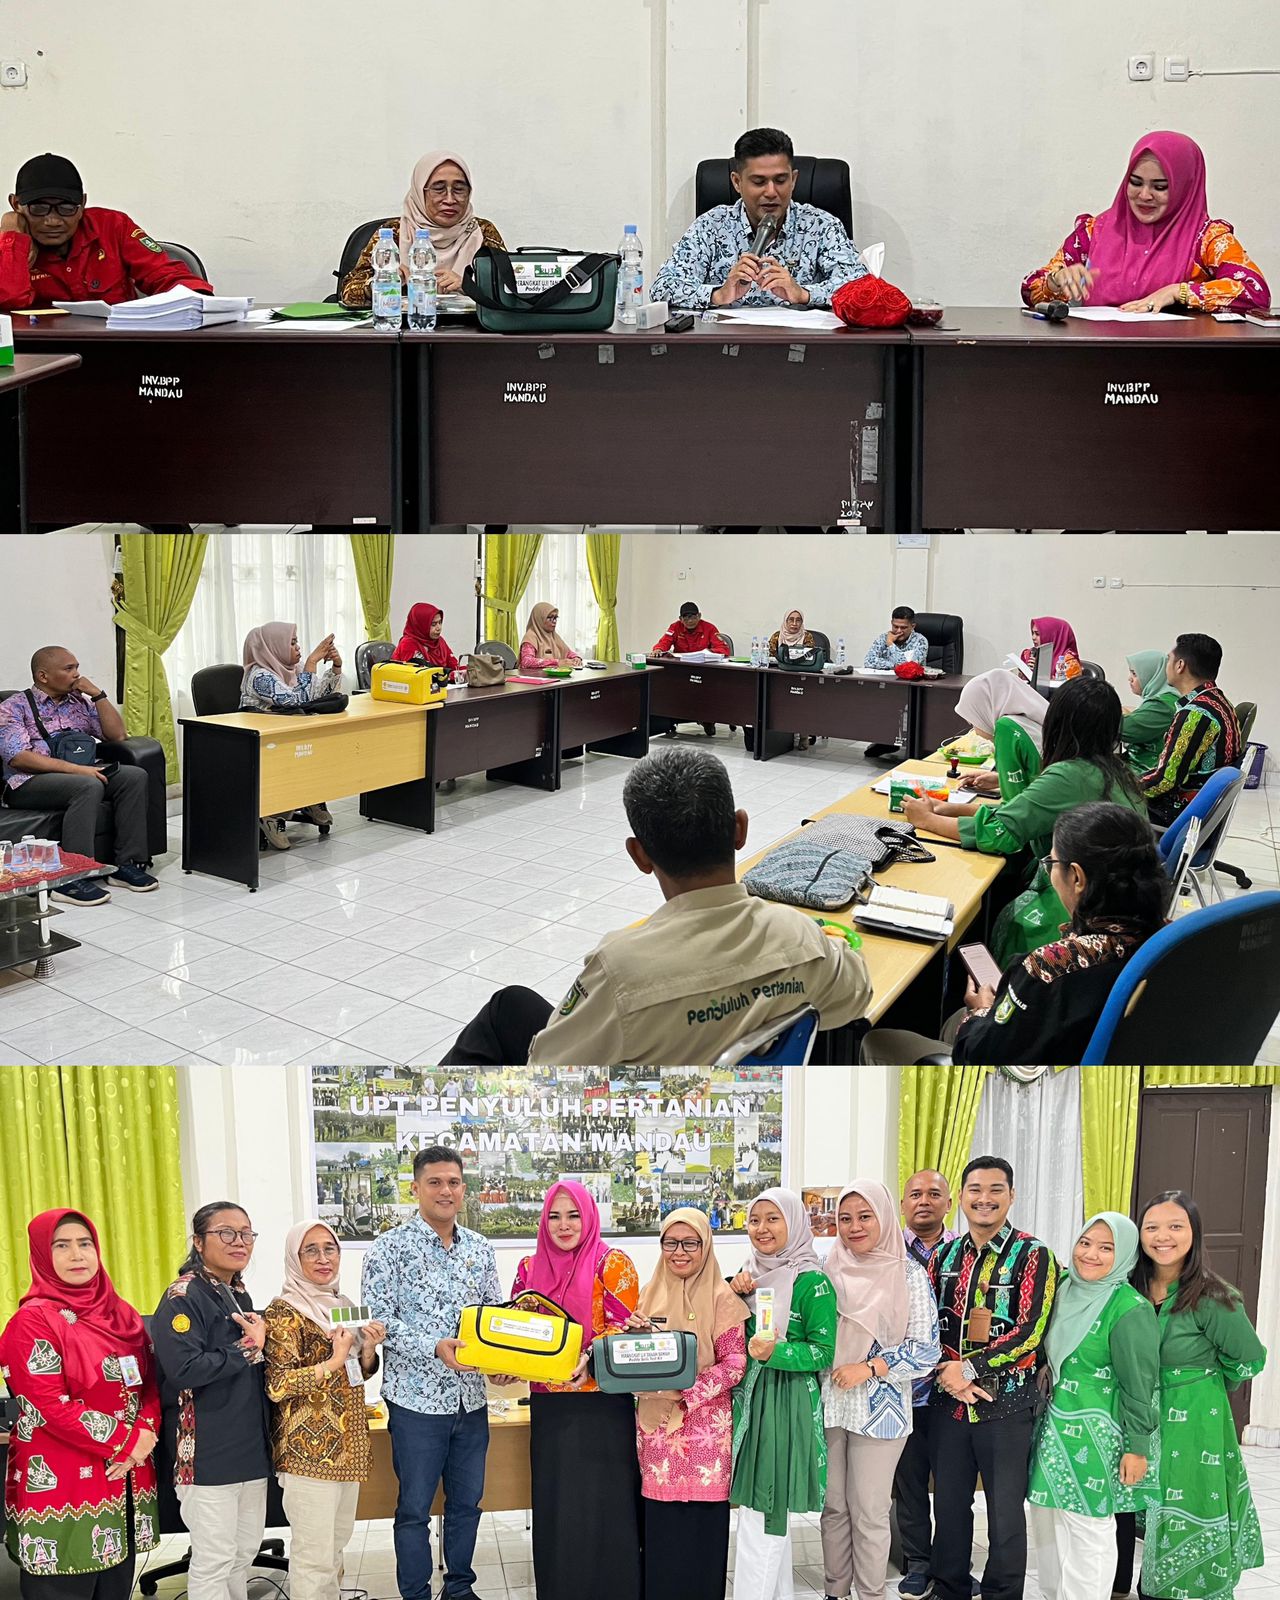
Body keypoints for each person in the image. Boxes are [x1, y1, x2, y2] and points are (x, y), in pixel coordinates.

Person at [442, 746, 872, 1065]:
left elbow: (548, 1070)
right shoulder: (797, 934)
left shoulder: (622, 970)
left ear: (640, 856)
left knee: (507, 1008)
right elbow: (855, 996)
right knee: (514, 1005)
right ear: (739, 830)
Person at [863, 801, 1166, 1066]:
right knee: (953, 1022)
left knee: (879, 1042)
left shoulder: (1051, 966)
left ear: (1077, 877)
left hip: (1024, 1088)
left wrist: (981, 1011)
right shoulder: (1166, 938)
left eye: (1051, 862)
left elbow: (980, 1056)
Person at [902, 677, 1148, 964]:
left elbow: (1000, 834)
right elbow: (1023, 811)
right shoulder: (1115, 769)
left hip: (1089, 904)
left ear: (1058, 721)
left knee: (1008, 922)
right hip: (1125, 902)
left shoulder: (1070, 775)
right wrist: (947, 809)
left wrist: (927, 821)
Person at [359, 1147, 503, 1600]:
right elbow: (379, 1320)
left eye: (454, 1182)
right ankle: (416, 1593)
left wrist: (502, 1359)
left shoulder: (480, 1248)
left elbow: (494, 1316)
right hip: (416, 1403)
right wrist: (434, 1347)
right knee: (414, 1509)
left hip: (471, 1400)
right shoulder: (387, 1249)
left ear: (464, 1189)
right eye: (436, 1182)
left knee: (467, 1505)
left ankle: (459, 1588)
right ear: (415, 1188)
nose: (446, 1191)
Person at [0, 1209, 160, 1600]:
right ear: (41, 1255)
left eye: (85, 1244)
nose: (77, 1255)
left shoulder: (121, 1315)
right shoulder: (32, 1322)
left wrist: (145, 1434)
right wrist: (128, 1441)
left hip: (123, 1481)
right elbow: (47, 1405)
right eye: (62, 1246)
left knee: (115, 1589)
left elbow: (150, 1385)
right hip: (62, 1485)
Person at [928, 1158, 1058, 1600]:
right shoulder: (942, 1256)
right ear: (960, 1198)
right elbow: (926, 1325)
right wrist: (951, 1376)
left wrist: (969, 1369)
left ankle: (1003, 1593)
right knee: (948, 1507)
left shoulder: (1034, 1254)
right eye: (975, 1189)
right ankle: (950, 1588)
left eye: (996, 1189)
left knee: (1005, 1513)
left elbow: (1030, 1331)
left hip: (1006, 1406)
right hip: (948, 1404)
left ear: (1011, 1196)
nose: (985, 1198)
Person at [1130, 1189, 1268, 1600]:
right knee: (1149, 1514)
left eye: (1176, 1226)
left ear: (1194, 1233)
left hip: (1194, 1421)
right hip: (1139, 1416)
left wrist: (1203, 1383)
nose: (1162, 1236)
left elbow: (1249, 1359)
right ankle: (1147, 1584)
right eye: (1152, 1227)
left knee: (1190, 1506)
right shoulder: (1128, 1288)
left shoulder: (1213, 1296)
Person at [511, 1181, 641, 1600]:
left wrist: (590, 1355)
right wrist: (501, 1366)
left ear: (588, 1217)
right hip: (550, 1408)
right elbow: (519, 1332)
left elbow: (625, 1332)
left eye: (573, 1215)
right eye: (554, 1216)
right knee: (557, 1508)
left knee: (605, 1507)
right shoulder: (530, 1269)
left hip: (603, 1406)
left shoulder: (613, 1263)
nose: (563, 1225)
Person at [1027, 1214, 1159, 1600]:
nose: (1091, 1254)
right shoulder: (1064, 1288)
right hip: (1051, 1429)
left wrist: (1138, 1448)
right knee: (1048, 1527)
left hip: (1100, 1439)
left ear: (1126, 1256)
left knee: (1089, 1533)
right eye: (1085, 1242)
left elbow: (1140, 1387)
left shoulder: (1129, 1308)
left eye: (1107, 1248)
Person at [819, 1181, 940, 1600]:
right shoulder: (825, 1269)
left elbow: (926, 1350)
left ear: (885, 1218)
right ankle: (836, 1591)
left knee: (869, 1513)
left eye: (865, 1216)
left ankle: (870, 1593)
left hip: (880, 1410)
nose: (854, 1227)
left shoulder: (908, 1274)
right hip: (829, 1405)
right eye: (846, 1218)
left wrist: (870, 1367)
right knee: (833, 1508)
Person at [150, 1202, 272, 1600]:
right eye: (226, 1232)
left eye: (246, 1233)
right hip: (205, 1454)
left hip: (248, 1449)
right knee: (214, 1557)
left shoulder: (237, 1292)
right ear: (199, 1242)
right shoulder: (182, 1297)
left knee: (242, 1553)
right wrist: (249, 1347)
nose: (239, 1242)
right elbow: (184, 1369)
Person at [263, 1222, 387, 1600]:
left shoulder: (344, 1305)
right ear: (294, 1258)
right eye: (311, 1250)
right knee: (314, 1558)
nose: (323, 1259)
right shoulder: (285, 1312)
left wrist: (367, 1349)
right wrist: (333, 1360)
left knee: (334, 1548)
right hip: (307, 1455)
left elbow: (358, 1374)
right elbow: (277, 1385)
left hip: (346, 1447)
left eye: (329, 1249)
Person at [629, 1207, 748, 1600]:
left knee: (701, 1533)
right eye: (670, 1242)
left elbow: (735, 1364)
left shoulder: (723, 1297)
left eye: (690, 1243)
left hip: (705, 1438)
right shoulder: (648, 1294)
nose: (679, 1252)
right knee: (661, 1531)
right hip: (656, 1435)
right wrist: (632, 1341)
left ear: (705, 1244)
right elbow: (633, 1360)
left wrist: (687, 1395)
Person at [1021, 131, 1269, 314]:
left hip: (1181, 366)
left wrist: (1177, 292)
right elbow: (1031, 288)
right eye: (1136, 182)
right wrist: (1056, 281)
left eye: (1160, 187)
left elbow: (1254, 291)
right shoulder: (1094, 232)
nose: (1144, 196)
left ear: (1186, 188)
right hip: (1097, 361)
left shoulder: (1207, 239)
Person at [728, 1188, 836, 1600]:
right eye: (755, 1220)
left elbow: (823, 1352)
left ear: (794, 1223)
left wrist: (778, 1352)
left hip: (785, 1404)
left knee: (765, 1510)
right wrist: (735, 1291)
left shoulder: (813, 1283)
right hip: (751, 1402)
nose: (762, 1228)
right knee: (760, 1515)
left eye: (773, 1218)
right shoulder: (748, 1275)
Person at [0, 646, 159, 903]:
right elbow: (18, 757)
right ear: (43, 676)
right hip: (27, 783)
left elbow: (117, 736)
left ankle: (126, 864)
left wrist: (98, 695)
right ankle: (71, 878)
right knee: (88, 785)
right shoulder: (14, 707)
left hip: (79, 773)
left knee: (133, 776)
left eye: (77, 667)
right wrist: (80, 771)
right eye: (68, 668)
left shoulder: (79, 702)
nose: (77, 674)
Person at [651, 127, 866, 311]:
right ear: (737, 182)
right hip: (725, 352)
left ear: (794, 180)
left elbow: (862, 289)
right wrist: (719, 295)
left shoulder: (821, 226)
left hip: (804, 352)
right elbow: (663, 287)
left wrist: (803, 294)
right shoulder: (711, 226)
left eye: (781, 180)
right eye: (758, 182)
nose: (771, 192)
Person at [1, 152, 213, 311]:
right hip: (44, 357)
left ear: (83, 203)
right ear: (16, 204)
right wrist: (11, 235)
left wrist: (201, 303)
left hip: (116, 349)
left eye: (66, 208)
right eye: (39, 209)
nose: (53, 220)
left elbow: (164, 273)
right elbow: (8, 302)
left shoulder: (112, 226)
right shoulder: (8, 245)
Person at [895, 1173, 957, 1600]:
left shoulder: (965, 1252)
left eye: (933, 1194)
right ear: (902, 1204)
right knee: (910, 1484)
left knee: (954, 1487)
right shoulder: (885, 1251)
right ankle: (917, 1563)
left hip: (954, 1391)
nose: (924, 1201)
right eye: (915, 1194)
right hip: (904, 1390)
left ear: (948, 1203)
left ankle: (951, 1564)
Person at [338, 151, 505, 308]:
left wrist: (469, 287)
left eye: (459, 189)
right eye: (438, 189)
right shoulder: (392, 234)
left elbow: (510, 291)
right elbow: (348, 293)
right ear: (419, 191)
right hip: (401, 329)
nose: (449, 199)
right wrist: (385, 281)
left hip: (470, 332)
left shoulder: (483, 232)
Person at [239, 622, 343, 850]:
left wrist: (336, 666)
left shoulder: (291, 670)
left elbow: (318, 696)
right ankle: (270, 814)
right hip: (262, 746)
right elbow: (296, 700)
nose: (298, 648)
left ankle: (309, 799)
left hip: (287, 739)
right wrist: (312, 662)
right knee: (303, 753)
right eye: (292, 643)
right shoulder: (260, 677)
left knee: (323, 748)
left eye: (297, 642)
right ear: (273, 647)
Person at [1137, 633, 1241, 826]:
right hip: (1201, 809)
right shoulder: (1219, 701)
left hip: (1178, 813)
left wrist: (1122, 788)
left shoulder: (1195, 714)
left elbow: (1165, 780)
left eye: (1169, 659)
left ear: (1180, 665)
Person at [947, 667, 1048, 800]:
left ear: (985, 710)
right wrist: (1002, 779)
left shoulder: (1007, 728)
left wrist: (938, 813)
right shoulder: (1029, 722)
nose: (975, 731)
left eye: (973, 723)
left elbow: (1012, 812)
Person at [652, 602, 732, 736]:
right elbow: (664, 642)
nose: (689, 621)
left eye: (693, 617)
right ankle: (670, 718)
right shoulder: (675, 627)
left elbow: (723, 649)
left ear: (699, 616)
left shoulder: (709, 628)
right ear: (680, 619)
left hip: (705, 672)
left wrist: (707, 652)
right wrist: (658, 649)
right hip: (682, 671)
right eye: (685, 618)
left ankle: (707, 719)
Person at [862, 607, 930, 757]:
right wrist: (896, 666)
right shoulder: (883, 638)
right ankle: (885, 742)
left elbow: (910, 667)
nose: (898, 630)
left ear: (913, 626)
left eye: (903, 627)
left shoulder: (921, 641)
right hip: (888, 687)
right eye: (895, 626)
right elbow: (869, 661)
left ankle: (916, 745)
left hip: (913, 689)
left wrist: (891, 646)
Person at [1121, 650, 1180, 777]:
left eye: (1135, 674)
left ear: (1153, 675)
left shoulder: (1162, 705)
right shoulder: (1164, 698)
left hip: (1143, 771)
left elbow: (1124, 729)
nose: (1129, 678)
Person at [392, 602, 458, 670]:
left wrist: (466, 671)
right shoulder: (408, 644)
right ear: (421, 625)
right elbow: (421, 673)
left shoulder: (439, 641)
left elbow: (455, 665)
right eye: (433, 624)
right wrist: (450, 675)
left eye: (440, 622)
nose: (439, 628)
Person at [518, 602, 582, 670]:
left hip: (553, 678)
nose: (554, 621)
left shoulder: (554, 635)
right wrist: (557, 662)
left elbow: (568, 652)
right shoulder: (531, 636)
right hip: (533, 678)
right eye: (550, 618)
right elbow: (526, 662)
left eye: (555, 618)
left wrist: (576, 658)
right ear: (539, 619)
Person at [1020, 617, 1081, 681]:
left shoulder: (1069, 663)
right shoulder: (1030, 654)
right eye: (1033, 633)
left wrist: (1041, 674)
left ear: (1053, 636)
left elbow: (1067, 689)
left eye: (1037, 634)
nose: (1033, 637)